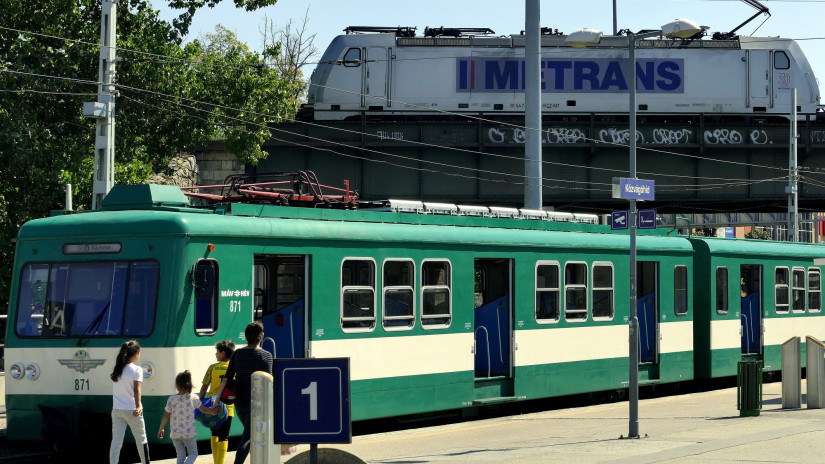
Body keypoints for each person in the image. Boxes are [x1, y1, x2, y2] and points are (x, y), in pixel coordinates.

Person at [215, 322, 272, 464]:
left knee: (252, 434)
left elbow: (226, 379)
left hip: (240, 403)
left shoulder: (237, 354)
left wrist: (216, 401)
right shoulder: (266, 356)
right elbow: (270, 382)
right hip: (258, 402)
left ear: (246, 337)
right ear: (261, 337)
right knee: (248, 437)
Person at [158, 371, 212, 464]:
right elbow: (203, 410)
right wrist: (213, 410)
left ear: (177, 385)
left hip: (175, 433)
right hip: (188, 432)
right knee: (193, 453)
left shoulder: (171, 399)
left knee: (180, 454)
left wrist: (161, 429)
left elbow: (166, 414)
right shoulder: (193, 398)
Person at [109, 340, 150, 464]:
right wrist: (138, 406)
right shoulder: (136, 370)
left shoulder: (118, 369)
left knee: (116, 440)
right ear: (136, 353)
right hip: (132, 410)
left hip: (117, 410)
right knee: (141, 439)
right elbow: (137, 390)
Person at [199, 340, 236, 464]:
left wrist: (200, 401)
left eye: (217, 352)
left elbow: (204, 387)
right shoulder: (234, 368)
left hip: (212, 407)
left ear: (223, 353)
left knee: (214, 434)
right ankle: (220, 462)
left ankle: (216, 462)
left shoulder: (212, 368)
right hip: (228, 408)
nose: (216, 354)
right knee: (224, 436)